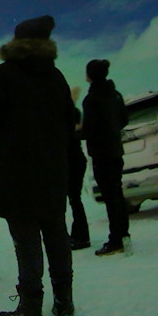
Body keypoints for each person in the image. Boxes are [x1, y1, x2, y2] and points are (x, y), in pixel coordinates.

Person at [0, 15, 75, 316]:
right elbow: (69, 120)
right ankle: (64, 303)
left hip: (17, 174)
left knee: (27, 241)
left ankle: (31, 311)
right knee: (57, 234)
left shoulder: (3, 75)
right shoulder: (56, 77)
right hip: (52, 172)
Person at [81, 59, 131, 257]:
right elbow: (124, 119)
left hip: (101, 154)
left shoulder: (92, 99)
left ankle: (116, 239)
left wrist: (74, 132)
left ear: (91, 75)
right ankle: (123, 235)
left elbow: (88, 129)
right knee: (117, 195)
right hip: (116, 151)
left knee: (110, 198)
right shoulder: (115, 95)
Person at [65, 87, 90, 251]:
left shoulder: (61, 116)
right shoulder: (75, 113)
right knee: (75, 198)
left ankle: (80, 236)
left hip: (69, 161)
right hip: (77, 159)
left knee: (73, 199)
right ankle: (80, 234)